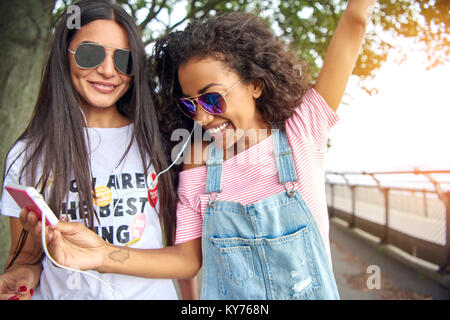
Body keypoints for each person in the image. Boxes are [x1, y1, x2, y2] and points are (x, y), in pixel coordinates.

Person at [29, 0, 376, 299]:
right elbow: (186, 260)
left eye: (212, 97)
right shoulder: (198, 160)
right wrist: (102, 254)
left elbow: (354, 22)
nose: (204, 116)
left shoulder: (303, 130)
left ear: (255, 84)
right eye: (190, 104)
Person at [0, 0, 197, 300]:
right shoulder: (28, 154)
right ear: (62, 56)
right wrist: (19, 278)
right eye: (89, 54)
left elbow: (183, 258)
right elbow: (26, 258)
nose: (107, 70)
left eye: (123, 60)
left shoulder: (161, 142)